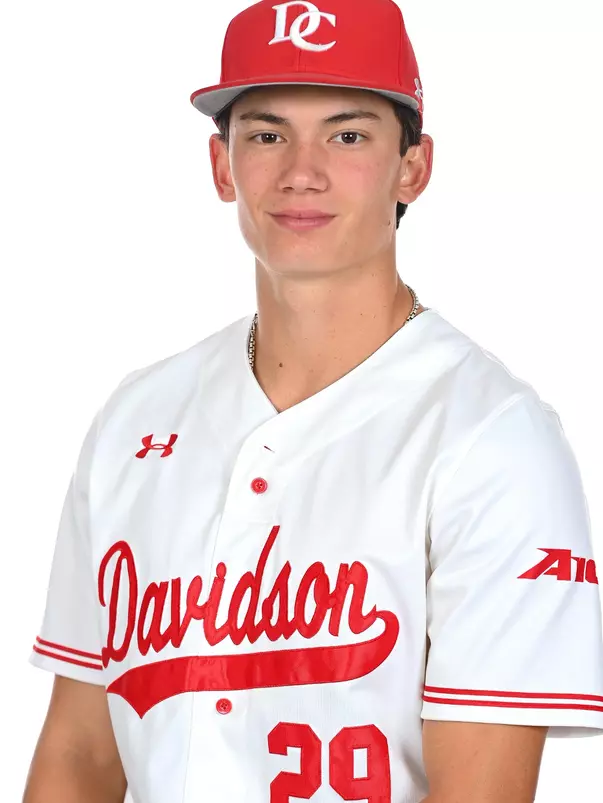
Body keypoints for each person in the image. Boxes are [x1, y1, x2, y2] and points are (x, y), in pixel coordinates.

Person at [23, 1, 603, 802]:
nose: (302, 170)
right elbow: (79, 755)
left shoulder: (492, 439)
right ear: (222, 166)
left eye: (348, 133)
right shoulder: (136, 418)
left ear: (413, 167)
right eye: (265, 135)